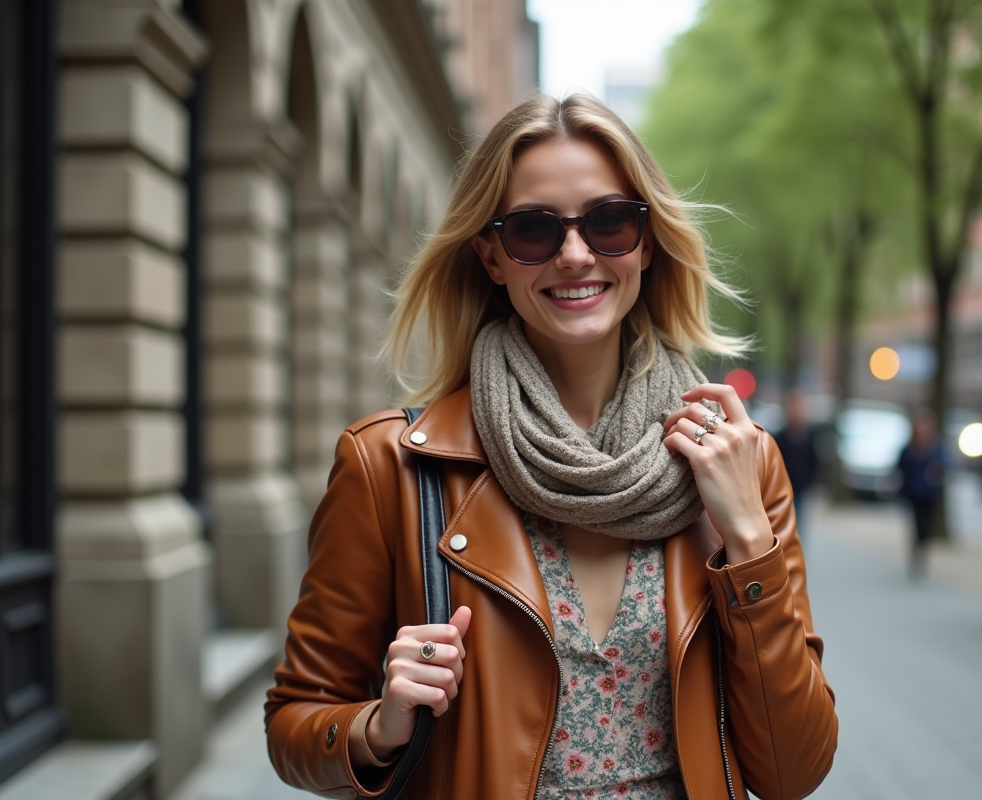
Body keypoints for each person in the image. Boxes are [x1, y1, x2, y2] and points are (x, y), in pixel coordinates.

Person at [264, 95, 837, 800]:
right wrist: (377, 725)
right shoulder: (390, 467)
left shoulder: (739, 464)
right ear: (491, 257)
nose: (574, 254)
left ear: (647, 241)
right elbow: (294, 723)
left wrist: (748, 539)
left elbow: (793, 771)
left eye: (608, 222)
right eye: (534, 230)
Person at [896, 409, 946, 580]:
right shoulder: (910, 447)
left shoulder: (935, 446)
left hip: (929, 494)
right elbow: (901, 465)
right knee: (915, 526)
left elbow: (944, 465)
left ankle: (923, 554)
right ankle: (915, 556)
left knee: (926, 528)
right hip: (912, 493)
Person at [774, 388, 820, 541]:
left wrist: (812, 481)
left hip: (801, 487)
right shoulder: (780, 436)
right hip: (783, 487)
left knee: (799, 522)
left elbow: (814, 460)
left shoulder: (810, 436)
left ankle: (795, 552)